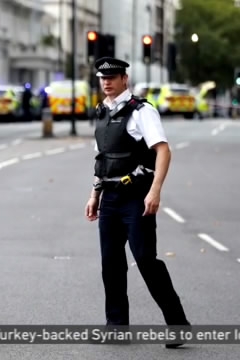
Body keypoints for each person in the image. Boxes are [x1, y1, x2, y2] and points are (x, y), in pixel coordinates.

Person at [84, 57, 190, 348]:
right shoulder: (101, 112)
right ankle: (116, 327)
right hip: (110, 198)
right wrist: (94, 195)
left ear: (124, 79)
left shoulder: (142, 111)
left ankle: (178, 324)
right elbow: (102, 160)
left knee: (145, 260)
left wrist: (155, 191)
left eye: (113, 77)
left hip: (136, 198)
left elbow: (163, 152)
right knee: (111, 264)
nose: (107, 82)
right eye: (103, 77)